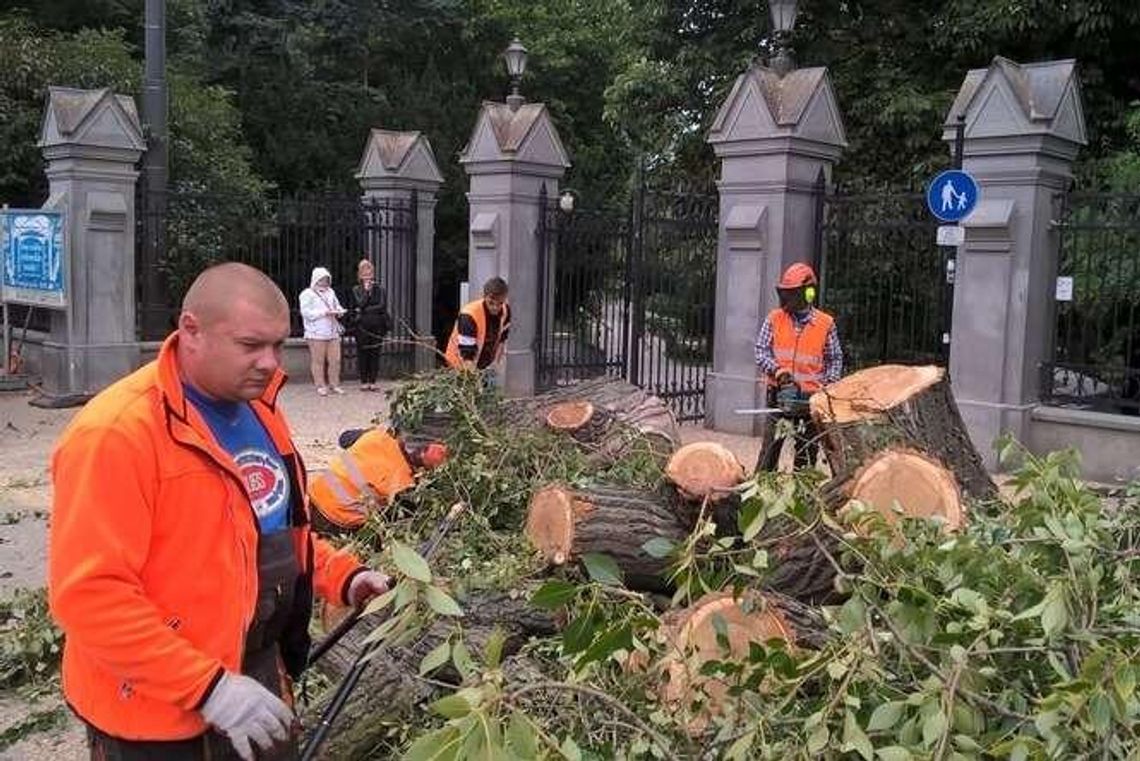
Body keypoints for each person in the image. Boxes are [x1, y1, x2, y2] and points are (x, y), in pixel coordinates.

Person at [48, 263, 392, 761]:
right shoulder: (116, 435)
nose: (271, 363)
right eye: (251, 346)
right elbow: (89, 597)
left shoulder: (260, 409)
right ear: (191, 330)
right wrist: (209, 689)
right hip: (155, 712)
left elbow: (273, 531)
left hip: (253, 673)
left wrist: (343, 577)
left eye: (277, 345)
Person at [754, 262, 843, 469]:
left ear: (808, 293)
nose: (787, 299)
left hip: (810, 402)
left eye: (792, 294)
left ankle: (802, 494)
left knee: (806, 457)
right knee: (769, 453)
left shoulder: (825, 324)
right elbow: (761, 351)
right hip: (779, 394)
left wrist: (827, 387)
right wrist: (777, 370)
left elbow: (834, 359)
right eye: (785, 293)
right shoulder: (775, 319)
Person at [308, 427, 449, 534]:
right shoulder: (403, 484)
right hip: (337, 518)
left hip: (316, 493)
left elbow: (344, 438)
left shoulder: (377, 436)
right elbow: (396, 517)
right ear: (422, 467)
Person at [444, 277, 511, 380]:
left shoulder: (506, 311)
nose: (495, 307)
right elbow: (467, 355)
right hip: (458, 365)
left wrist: (494, 365)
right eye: (491, 303)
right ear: (484, 297)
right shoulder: (469, 315)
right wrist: (473, 381)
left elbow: (502, 340)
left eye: (500, 303)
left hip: (482, 365)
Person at [299, 266, 346, 396]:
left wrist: (339, 311)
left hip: (332, 331)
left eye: (326, 279)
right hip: (316, 333)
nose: (324, 282)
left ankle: (334, 384)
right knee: (318, 360)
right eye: (322, 279)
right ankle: (320, 385)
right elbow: (306, 313)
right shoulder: (307, 294)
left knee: (335, 360)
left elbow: (336, 305)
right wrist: (323, 313)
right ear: (315, 280)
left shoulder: (331, 292)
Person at [347, 258, 390, 392]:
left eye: (369, 273)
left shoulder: (380, 289)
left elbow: (382, 306)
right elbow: (359, 304)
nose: (367, 276)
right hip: (362, 326)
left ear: (373, 274)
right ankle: (364, 381)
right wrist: (366, 292)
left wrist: (365, 309)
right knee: (363, 352)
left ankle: (373, 381)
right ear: (360, 275)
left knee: (375, 352)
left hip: (377, 325)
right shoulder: (356, 289)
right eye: (364, 273)